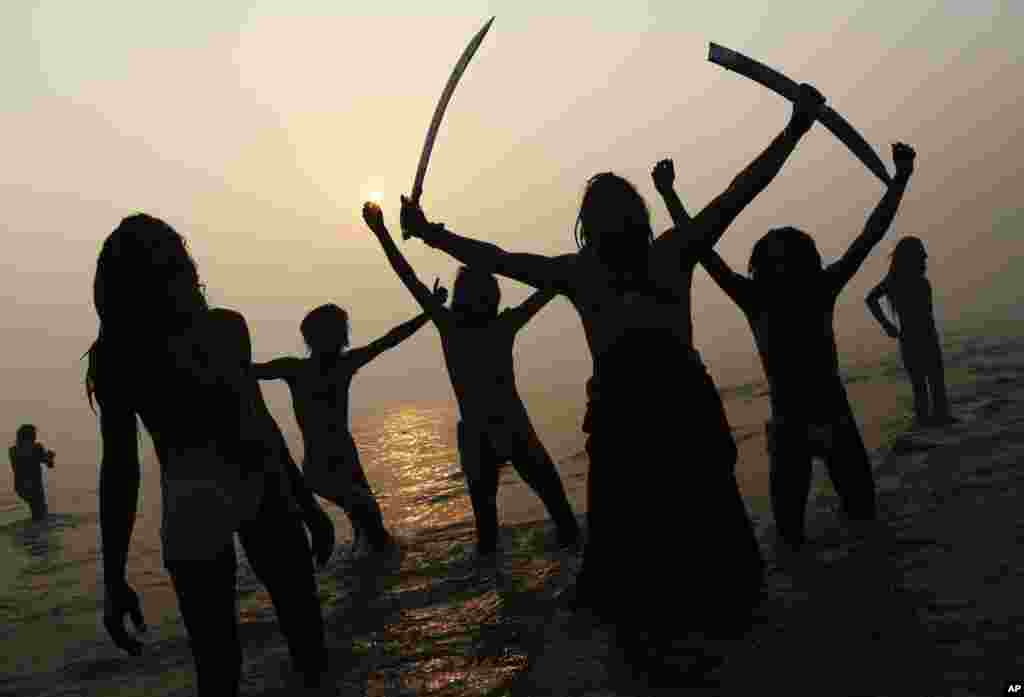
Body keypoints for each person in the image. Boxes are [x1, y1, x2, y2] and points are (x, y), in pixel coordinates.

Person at [393, 84, 827, 683]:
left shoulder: (671, 252)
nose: (612, 226)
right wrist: (429, 232)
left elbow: (741, 191)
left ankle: (720, 652)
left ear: (631, 220)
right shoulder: (585, 271)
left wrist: (797, 127)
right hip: (625, 424)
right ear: (592, 228)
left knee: (716, 557)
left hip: (682, 417)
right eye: (603, 218)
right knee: (633, 577)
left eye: (617, 215)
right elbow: (494, 257)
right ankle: (664, 655)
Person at [86, 213, 330, 696]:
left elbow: (121, 469)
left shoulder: (116, 353)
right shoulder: (224, 328)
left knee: (217, 667)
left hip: (190, 496)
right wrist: (307, 504)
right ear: (181, 263)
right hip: (257, 483)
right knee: (307, 645)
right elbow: (259, 426)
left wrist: (113, 576)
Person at [683, 143, 917, 557]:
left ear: (801, 259)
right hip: (791, 425)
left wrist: (900, 179)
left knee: (862, 522)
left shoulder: (817, 289)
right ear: (761, 265)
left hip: (832, 417)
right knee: (791, 536)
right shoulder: (756, 296)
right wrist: (669, 195)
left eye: (784, 257)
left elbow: (870, 234)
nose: (779, 267)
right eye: (772, 260)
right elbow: (700, 248)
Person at [362, 204, 581, 563]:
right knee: (549, 519)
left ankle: (497, 598)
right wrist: (382, 234)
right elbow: (552, 285)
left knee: (493, 535)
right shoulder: (495, 325)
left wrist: (383, 233)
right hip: (504, 429)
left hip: (488, 432)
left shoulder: (456, 325)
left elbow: (408, 277)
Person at [253, 297, 443, 557]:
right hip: (319, 467)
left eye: (339, 332)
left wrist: (429, 311)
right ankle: (371, 571)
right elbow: (251, 370)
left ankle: (362, 576)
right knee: (367, 512)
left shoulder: (343, 364)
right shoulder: (295, 369)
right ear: (312, 338)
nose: (338, 338)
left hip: (346, 457)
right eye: (332, 333)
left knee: (368, 526)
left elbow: (391, 339)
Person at [866, 236, 954, 427]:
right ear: (911, 256)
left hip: (925, 336)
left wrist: (887, 325)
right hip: (914, 338)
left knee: (933, 384)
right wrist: (887, 325)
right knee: (925, 385)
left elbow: (871, 299)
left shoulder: (911, 280)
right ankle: (932, 424)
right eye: (921, 253)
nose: (925, 257)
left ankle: (936, 422)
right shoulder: (896, 280)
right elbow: (870, 299)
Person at [8, 424, 55, 521]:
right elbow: (49, 464)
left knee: (37, 512)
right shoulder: (36, 448)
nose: (35, 436)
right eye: (34, 434)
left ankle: (32, 533)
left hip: (20, 487)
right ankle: (35, 534)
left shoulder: (13, 450)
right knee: (40, 514)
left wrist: (47, 457)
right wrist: (50, 457)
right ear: (30, 436)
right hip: (34, 486)